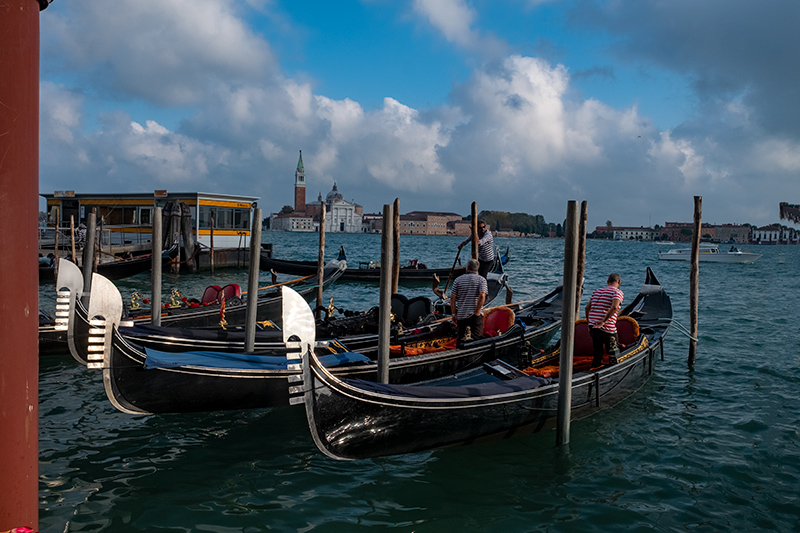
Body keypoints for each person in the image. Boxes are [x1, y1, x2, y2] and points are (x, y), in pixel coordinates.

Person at [584, 273, 624, 369]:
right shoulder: (617, 292)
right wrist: (603, 321)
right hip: (607, 327)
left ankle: (594, 369)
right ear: (618, 282)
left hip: (593, 326)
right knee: (614, 353)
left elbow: (587, 308)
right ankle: (614, 372)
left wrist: (589, 323)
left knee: (598, 352)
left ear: (607, 282)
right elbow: (614, 307)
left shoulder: (597, 291)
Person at [450, 258, 488, 347]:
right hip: (475, 316)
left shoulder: (458, 280)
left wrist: (453, 314)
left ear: (467, 268)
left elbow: (452, 298)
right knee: (477, 341)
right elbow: (482, 295)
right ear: (477, 268)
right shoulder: (481, 280)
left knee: (461, 340)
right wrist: (477, 312)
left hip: (461, 315)